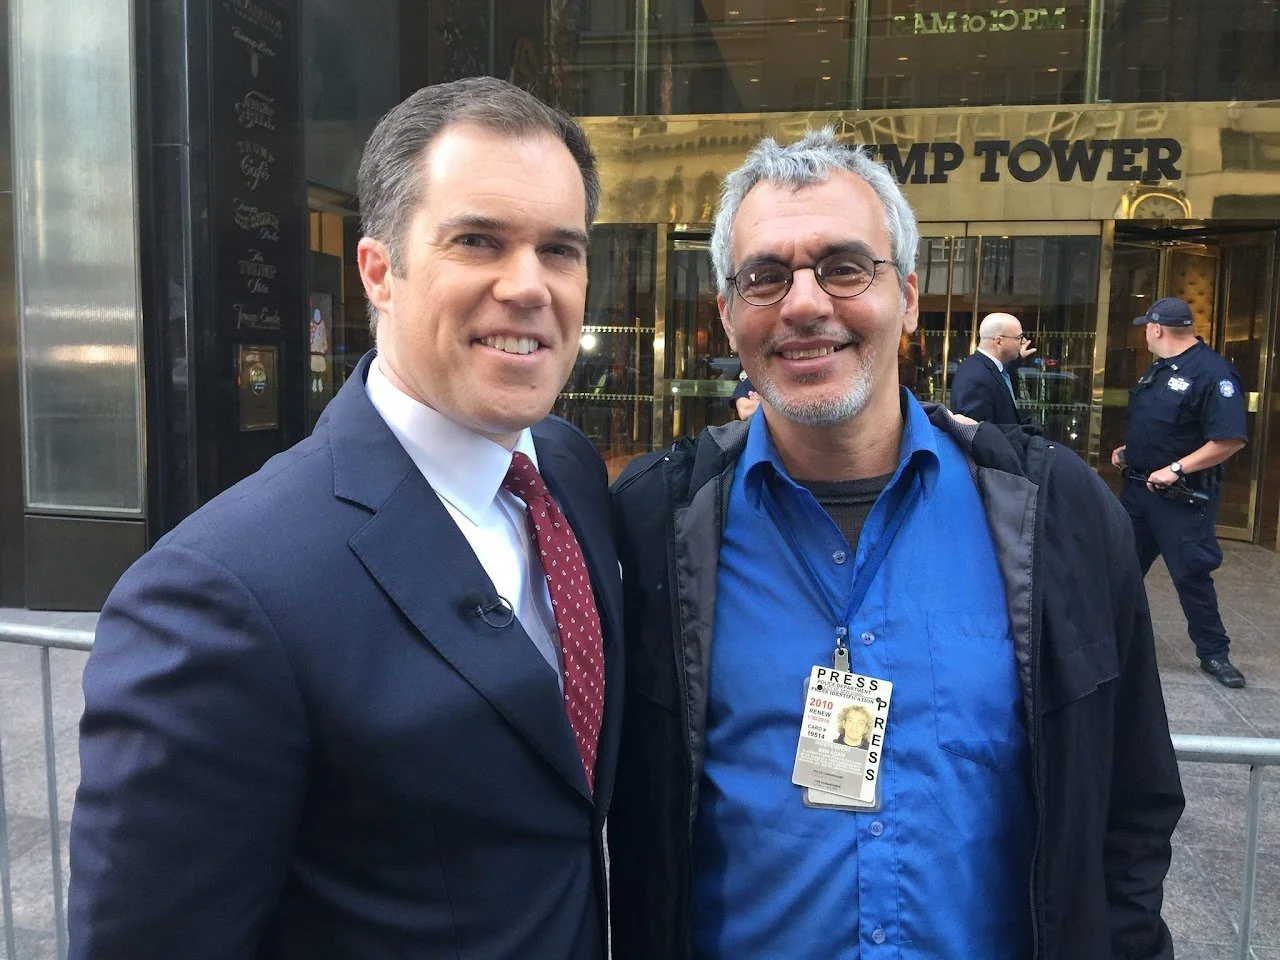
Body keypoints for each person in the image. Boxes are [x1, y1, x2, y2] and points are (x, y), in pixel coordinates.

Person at [69, 77, 623, 959]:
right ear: (379, 272)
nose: (528, 287)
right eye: (478, 240)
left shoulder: (569, 472)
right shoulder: (218, 593)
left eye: (560, 250)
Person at [608, 129, 1182, 960]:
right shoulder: (652, 523)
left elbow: (1133, 802)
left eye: (844, 267)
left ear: (909, 298)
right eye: (765, 275)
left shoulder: (1058, 513)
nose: (804, 303)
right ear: (730, 315)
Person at [1111, 296, 1248, 688]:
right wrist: (1129, 452)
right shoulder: (1159, 369)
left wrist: (1175, 469)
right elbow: (1162, 426)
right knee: (1120, 568)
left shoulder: (1212, 373)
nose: (1145, 335)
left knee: (1192, 574)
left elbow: (1229, 439)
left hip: (1181, 499)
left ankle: (1214, 654)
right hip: (1139, 492)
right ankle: (1109, 643)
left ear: (1156, 330)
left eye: (1146, 329)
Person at [948, 312, 1037, 425]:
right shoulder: (975, 379)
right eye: (1019, 338)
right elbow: (981, 435)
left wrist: (1018, 357)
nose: (1023, 342)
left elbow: (1000, 374)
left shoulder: (985, 366)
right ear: (998, 342)